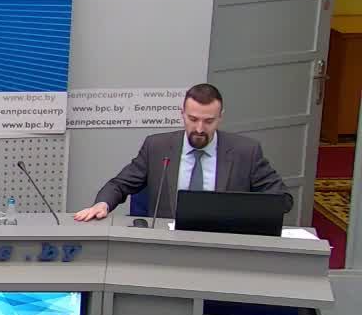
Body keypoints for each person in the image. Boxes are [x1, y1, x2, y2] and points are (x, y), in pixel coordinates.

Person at [73, 83, 291, 221]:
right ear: (183, 114)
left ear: (220, 117)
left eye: (208, 121)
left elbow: (282, 198)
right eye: (193, 119)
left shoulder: (246, 151)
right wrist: (102, 204)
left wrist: (245, 214)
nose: (199, 129)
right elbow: (119, 184)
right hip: (168, 245)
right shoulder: (157, 147)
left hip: (224, 245)